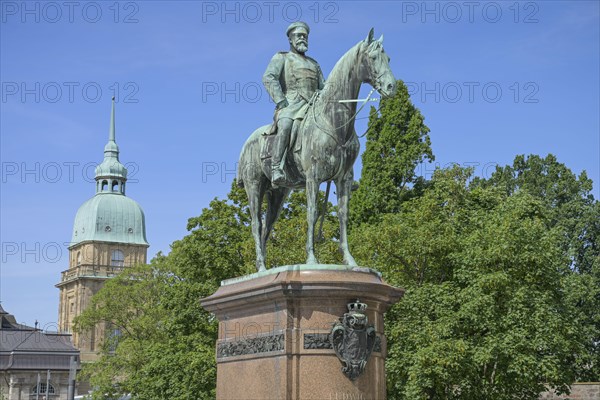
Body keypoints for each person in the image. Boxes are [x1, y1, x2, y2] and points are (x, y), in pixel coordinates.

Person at [263, 21, 325, 186]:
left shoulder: (314, 63)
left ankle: (344, 171)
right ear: (290, 39)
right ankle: (276, 167)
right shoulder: (281, 57)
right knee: (286, 126)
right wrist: (280, 100)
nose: (303, 38)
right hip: (291, 103)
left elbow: (323, 87)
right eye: (299, 35)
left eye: (305, 35)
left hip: (313, 105)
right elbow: (269, 77)